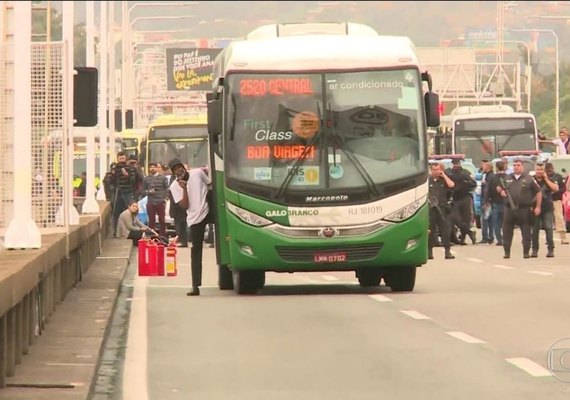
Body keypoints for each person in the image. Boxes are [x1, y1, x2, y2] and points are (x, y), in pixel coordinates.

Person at [169, 158, 212, 296]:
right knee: (196, 251)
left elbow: (210, 185)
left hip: (208, 210)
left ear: (183, 167)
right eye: (175, 169)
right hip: (194, 218)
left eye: (179, 167)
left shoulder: (197, 173)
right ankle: (195, 285)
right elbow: (185, 205)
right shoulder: (174, 187)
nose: (178, 170)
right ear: (173, 172)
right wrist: (185, 189)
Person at [496, 159, 542, 259]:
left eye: (518, 165)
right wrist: (501, 191)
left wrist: (538, 206)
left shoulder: (529, 178)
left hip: (524, 208)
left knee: (526, 231)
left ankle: (526, 252)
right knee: (507, 230)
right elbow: (499, 187)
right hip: (509, 208)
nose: (516, 167)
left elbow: (538, 192)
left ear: (522, 167)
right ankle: (507, 252)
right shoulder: (508, 177)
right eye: (515, 165)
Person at [109, 151, 143, 237]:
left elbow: (134, 181)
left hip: (128, 192)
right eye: (120, 158)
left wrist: (127, 175)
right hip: (118, 192)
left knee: (132, 211)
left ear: (125, 158)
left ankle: (133, 230)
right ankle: (117, 232)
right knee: (116, 212)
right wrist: (112, 175)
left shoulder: (131, 168)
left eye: (123, 158)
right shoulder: (115, 169)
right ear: (117, 159)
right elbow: (112, 182)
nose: (121, 160)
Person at [446, 158, 477, 245]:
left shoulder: (465, 173)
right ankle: (470, 233)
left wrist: (467, 182)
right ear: (452, 164)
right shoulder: (449, 173)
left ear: (460, 164)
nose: (456, 165)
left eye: (457, 163)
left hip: (465, 198)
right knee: (456, 219)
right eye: (454, 164)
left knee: (466, 219)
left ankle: (462, 239)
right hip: (454, 199)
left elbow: (473, 184)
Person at [428, 163, 455, 260]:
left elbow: (452, 185)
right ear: (431, 170)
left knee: (445, 231)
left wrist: (443, 175)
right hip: (431, 209)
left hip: (442, 209)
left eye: (438, 169)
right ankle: (429, 252)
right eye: (434, 169)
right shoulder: (428, 180)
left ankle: (447, 252)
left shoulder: (443, 180)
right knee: (430, 231)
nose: (436, 171)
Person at [530, 163, 558, 258]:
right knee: (535, 230)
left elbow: (556, 188)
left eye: (541, 169)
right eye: (538, 169)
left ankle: (550, 249)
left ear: (544, 170)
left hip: (547, 208)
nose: (540, 171)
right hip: (534, 209)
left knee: (549, 229)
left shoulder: (548, 179)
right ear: (535, 169)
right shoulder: (531, 180)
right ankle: (534, 250)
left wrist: (546, 179)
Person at [142, 162, 169, 237]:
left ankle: (162, 236)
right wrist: (149, 192)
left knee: (162, 220)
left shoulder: (163, 178)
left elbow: (167, 188)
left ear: (157, 168)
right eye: (151, 167)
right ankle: (152, 236)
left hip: (160, 201)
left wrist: (165, 198)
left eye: (154, 167)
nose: (152, 168)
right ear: (148, 169)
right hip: (150, 201)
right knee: (151, 220)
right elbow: (142, 191)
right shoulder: (146, 179)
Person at [545, 162, 569, 245]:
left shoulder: (558, 177)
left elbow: (563, 188)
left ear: (552, 168)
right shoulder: (544, 177)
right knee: (547, 220)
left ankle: (563, 238)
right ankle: (548, 239)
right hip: (546, 201)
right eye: (547, 171)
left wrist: (556, 192)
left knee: (559, 219)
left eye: (550, 170)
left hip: (556, 200)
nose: (548, 172)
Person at [486, 161, 506, 246]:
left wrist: (486, 200)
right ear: (504, 167)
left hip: (495, 202)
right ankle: (505, 238)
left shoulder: (493, 178)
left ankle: (499, 239)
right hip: (506, 202)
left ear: (496, 168)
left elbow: (488, 190)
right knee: (505, 222)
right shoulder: (507, 177)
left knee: (496, 222)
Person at [479, 161, 495, 244]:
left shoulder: (489, 176)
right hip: (490, 199)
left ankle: (485, 237)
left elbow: (488, 189)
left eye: (484, 166)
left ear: (487, 167)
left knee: (485, 218)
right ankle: (490, 236)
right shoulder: (488, 175)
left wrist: (485, 201)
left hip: (487, 199)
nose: (482, 167)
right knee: (490, 219)